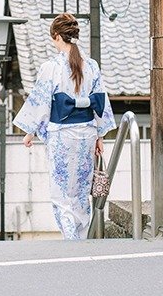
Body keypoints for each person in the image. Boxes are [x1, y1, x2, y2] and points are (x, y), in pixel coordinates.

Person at [13, 13, 115, 240]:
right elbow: (101, 100)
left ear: (57, 36)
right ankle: (80, 234)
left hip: (63, 134)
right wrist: (99, 135)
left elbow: (40, 101)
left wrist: (30, 131)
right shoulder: (91, 65)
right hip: (87, 131)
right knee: (80, 188)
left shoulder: (51, 67)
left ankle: (70, 237)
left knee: (61, 189)